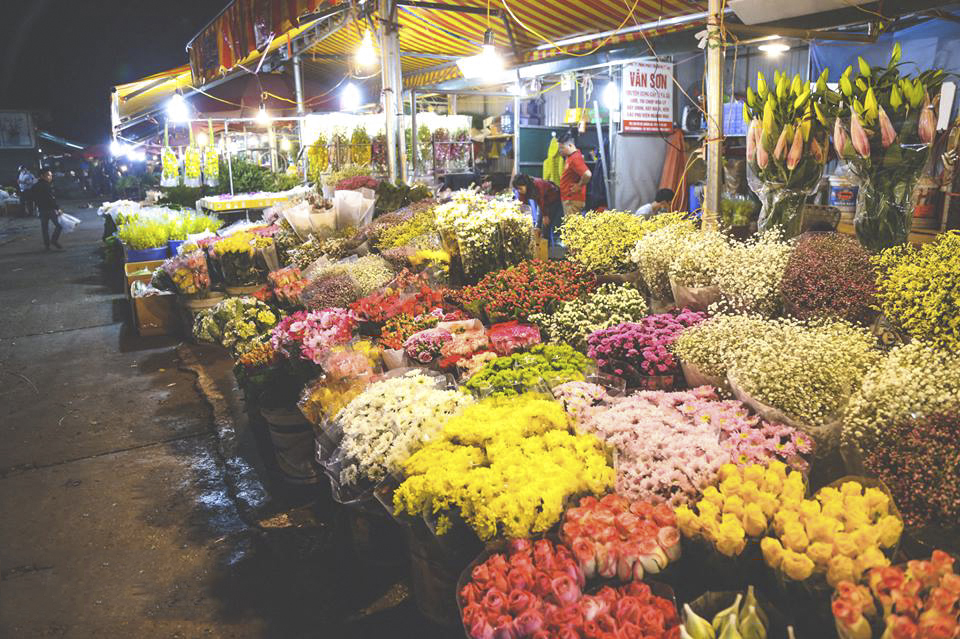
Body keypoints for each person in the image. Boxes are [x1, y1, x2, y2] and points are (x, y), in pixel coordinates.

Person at [512, 173, 563, 245]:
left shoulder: (538, 184)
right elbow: (522, 203)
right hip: (541, 202)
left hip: (553, 200)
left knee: (545, 225)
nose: (519, 191)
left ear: (526, 185)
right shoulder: (523, 189)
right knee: (537, 226)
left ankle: (546, 249)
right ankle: (537, 248)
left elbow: (542, 201)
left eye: (520, 188)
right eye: (518, 189)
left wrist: (545, 216)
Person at [558, 135, 591, 219]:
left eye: (562, 148)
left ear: (570, 145)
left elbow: (587, 174)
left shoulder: (575, 159)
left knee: (572, 229)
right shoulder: (571, 157)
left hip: (572, 200)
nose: (560, 151)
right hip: (570, 199)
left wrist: (579, 186)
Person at [32, 169, 63, 250]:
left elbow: (33, 199)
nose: (51, 177)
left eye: (51, 175)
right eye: (49, 175)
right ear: (42, 176)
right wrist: (57, 208)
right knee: (59, 226)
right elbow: (50, 199)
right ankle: (54, 240)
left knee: (44, 229)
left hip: (41, 209)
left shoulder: (35, 186)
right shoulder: (47, 186)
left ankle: (47, 245)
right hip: (49, 209)